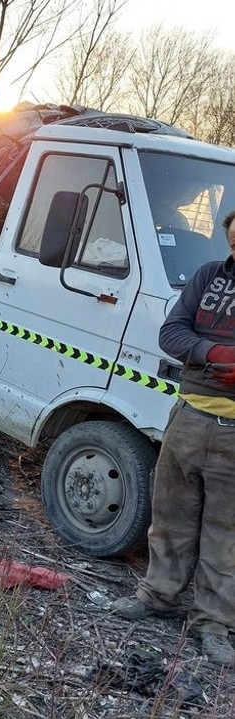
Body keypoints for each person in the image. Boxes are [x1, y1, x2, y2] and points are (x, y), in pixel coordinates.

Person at [111, 208, 235, 665]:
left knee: (226, 532)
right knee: (171, 516)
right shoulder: (209, 276)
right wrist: (211, 351)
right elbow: (172, 332)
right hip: (188, 418)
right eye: (234, 243)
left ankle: (213, 623)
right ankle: (157, 595)